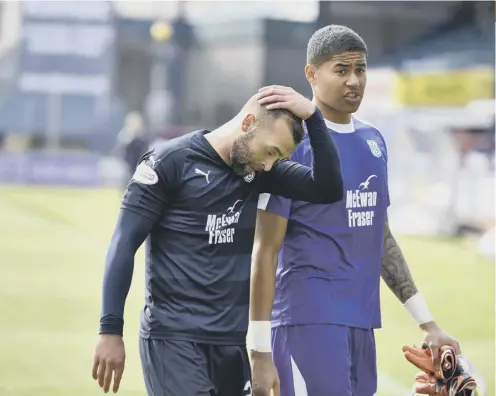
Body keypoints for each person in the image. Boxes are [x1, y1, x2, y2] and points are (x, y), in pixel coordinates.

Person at [248, 25, 460, 396]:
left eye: (360, 70)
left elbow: (382, 238)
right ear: (311, 74)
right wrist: (259, 349)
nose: (353, 81)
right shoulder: (290, 144)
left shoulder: (374, 140)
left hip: (361, 322)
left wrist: (427, 324)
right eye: (341, 70)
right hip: (306, 320)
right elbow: (265, 250)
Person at [91, 86, 344, 395]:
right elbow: (124, 242)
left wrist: (315, 118)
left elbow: (328, 188)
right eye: (271, 151)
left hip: (230, 345)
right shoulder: (170, 162)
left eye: (278, 157)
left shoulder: (261, 172)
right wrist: (110, 330)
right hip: (174, 340)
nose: (269, 163)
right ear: (249, 122)